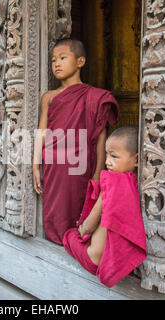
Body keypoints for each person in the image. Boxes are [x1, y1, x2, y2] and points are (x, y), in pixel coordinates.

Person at [33, 38, 120, 245]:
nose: (57, 64)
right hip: (54, 163)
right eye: (54, 60)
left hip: (81, 164)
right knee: (55, 210)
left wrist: (98, 172)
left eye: (63, 58)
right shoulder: (49, 97)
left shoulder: (95, 97)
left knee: (78, 207)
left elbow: (100, 136)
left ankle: (77, 246)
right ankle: (56, 244)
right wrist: (36, 164)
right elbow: (41, 132)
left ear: (80, 62)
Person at [62, 125, 147, 288]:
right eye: (107, 155)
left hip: (93, 258)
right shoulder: (135, 182)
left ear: (136, 159)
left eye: (114, 156)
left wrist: (80, 232)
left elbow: (88, 226)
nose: (107, 162)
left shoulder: (112, 181)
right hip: (115, 259)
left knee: (68, 236)